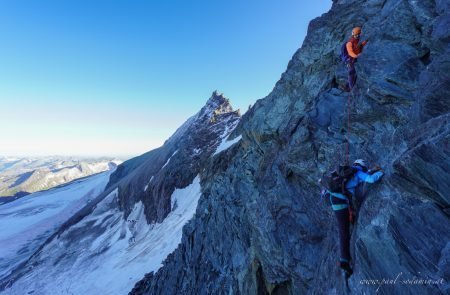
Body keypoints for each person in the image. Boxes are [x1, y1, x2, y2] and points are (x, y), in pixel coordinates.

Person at [321, 159, 384, 278]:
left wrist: (372, 171)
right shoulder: (357, 173)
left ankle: (345, 260)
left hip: (333, 198)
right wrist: (381, 172)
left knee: (344, 228)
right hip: (339, 201)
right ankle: (344, 260)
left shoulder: (348, 172)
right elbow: (370, 179)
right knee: (344, 231)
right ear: (363, 167)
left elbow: (363, 175)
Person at [342, 27, 368, 91]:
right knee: (351, 73)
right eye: (356, 35)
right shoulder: (349, 43)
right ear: (353, 35)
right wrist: (356, 56)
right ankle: (351, 88)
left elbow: (359, 47)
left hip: (354, 59)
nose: (357, 36)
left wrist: (365, 42)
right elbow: (350, 52)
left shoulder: (356, 41)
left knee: (353, 73)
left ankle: (347, 85)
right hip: (350, 60)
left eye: (358, 34)